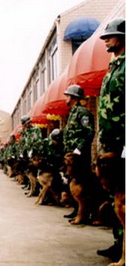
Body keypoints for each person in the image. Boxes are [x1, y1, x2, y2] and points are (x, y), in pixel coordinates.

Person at [96, 18, 125, 261]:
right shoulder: (114, 67)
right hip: (112, 144)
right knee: (116, 197)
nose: (106, 40)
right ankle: (120, 243)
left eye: (111, 36)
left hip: (123, 145)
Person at [62, 84, 95, 219]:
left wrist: (78, 149)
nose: (66, 99)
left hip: (79, 155)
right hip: (72, 155)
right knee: (73, 183)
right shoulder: (73, 113)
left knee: (82, 184)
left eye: (67, 96)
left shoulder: (83, 113)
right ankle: (77, 210)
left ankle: (85, 213)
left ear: (73, 97)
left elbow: (89, 132)